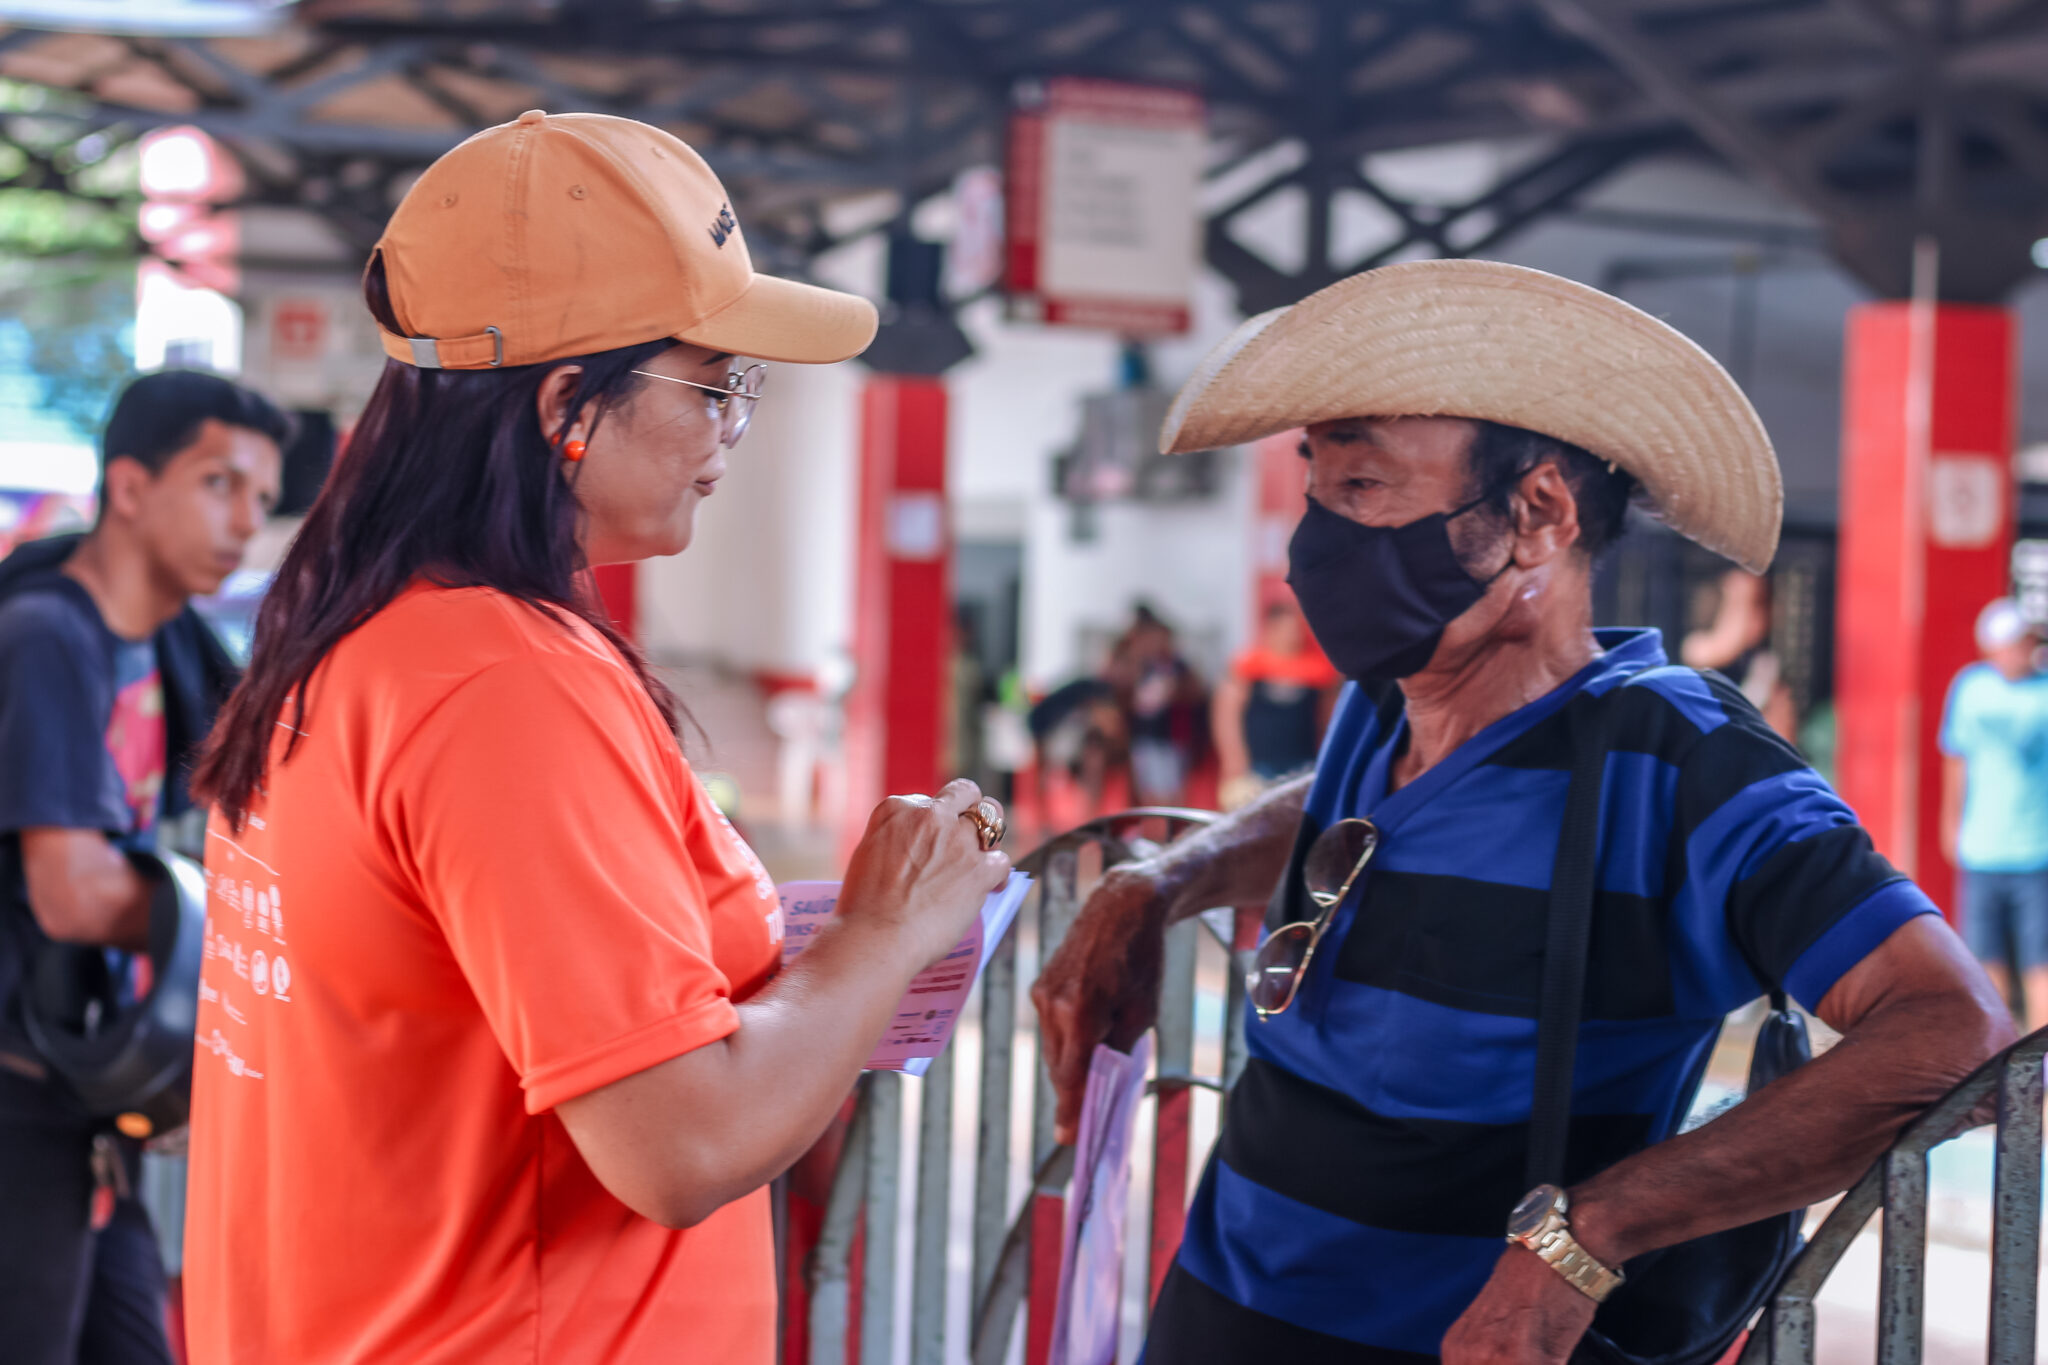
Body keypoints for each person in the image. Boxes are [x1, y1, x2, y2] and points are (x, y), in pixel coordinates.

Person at [1032, 260, 2010, 1363]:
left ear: (1535, 513)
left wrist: (1584, 1236)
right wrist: (1162, 882)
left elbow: (1951, 1033)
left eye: (1361, 489)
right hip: (1220, 1308)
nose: (1316, 536)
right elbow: (1374, 820)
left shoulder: (1679, 762)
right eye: (1316, 485)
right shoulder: (1387, 708)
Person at [179, 111, 1010, 1365]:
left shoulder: (358, 638)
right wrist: (880, 940)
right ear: (569, 401)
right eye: (715, 385)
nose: (733, 431)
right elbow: (679, 1147)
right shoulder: (500, 685)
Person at [0, 371, 288, 1365]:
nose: (245, 520)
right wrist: (273, 948)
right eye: (219, 484)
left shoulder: (167, 643)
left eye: (259, 496)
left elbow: (282, 777)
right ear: (129, 488)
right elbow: (73, 893)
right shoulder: (48, 637)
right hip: (17, 1093)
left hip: (86, 1092)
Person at [1941, 598, 2048, 1029]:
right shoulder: (1970, 688)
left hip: (2036, 852)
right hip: (1982, 850)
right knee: (1986, 966)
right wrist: (1951, 823)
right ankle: (1998, 1067)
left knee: (2039, 965)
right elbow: (1957, 759)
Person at [1212, 594, 1340, 809]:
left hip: (1303, 765)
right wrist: (1234, 761)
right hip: (1258, 768)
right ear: (1271, 628)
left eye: (1296, 628)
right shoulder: (1247, 667)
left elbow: (1329, 718)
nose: (1292, 635)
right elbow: (1226, 717)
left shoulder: (1319, 671)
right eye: (1286, 628)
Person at [1681, 567, 1797, 741]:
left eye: (1762, 607)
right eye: (1751, 607)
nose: (1760, 618)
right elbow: (1725, 646)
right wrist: (1740, 593)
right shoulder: (1697, 647)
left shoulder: (1765, 663)